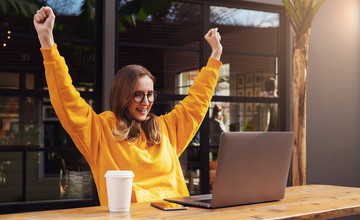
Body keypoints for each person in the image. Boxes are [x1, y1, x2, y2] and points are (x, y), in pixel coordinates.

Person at [33, 6, 223, 205]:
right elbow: (66, 99)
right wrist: (47, 40)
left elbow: (196, 102)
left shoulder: (165, 129)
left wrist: (215, 56)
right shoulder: (101, 131)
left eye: (150, 95)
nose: (146, 102)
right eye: (138, 96)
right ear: (122, 96)